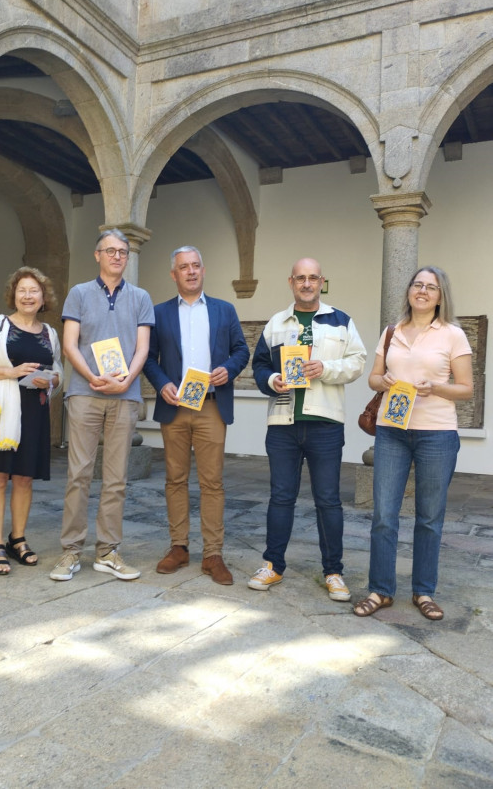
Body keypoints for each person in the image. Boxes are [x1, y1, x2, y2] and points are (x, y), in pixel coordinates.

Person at [354, 266, 473, 621]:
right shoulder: (392, 331)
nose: (423, 291)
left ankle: (424, 591)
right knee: (383, 515)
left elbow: (466, 389)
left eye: (431, 287)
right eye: (417, 284)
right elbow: (373, 378)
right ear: (409, 291)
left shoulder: (453, 334)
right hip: (392, 430)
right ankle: (381, 590)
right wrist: (383, 382)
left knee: (429, 518)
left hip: (437, 433)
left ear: (440, 296)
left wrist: (434, 387)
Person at [248, 257, 366, 599]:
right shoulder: (276, 323)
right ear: (291, 282)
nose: (306, 283)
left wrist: (325, 368)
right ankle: (273, 565)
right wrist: (272, 379)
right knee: (280, 497)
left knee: (328, 500)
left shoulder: (340, 321)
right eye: (300, 278)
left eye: (313, 277)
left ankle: (333, 572)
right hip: (282, 424)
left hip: (325, 424)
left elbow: (357, 362)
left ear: (321, 282)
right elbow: (259, 366)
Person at [50, 229, 154, 582]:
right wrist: (91, 376)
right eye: (110, 250)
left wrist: (127, 380)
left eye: (122, 251)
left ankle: (108, 551)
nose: (117, 256)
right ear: (97, 255)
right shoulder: (79, 293)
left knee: (116, 479)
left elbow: (142, 347)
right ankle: (70, 551)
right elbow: (70, 344)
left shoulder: (140, 297)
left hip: (125, 396)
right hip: (85, 393)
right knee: (78, 474)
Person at [143, 246, 249, 584]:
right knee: (175, 479)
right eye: (183, 267)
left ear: (203, 271)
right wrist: (161, 384)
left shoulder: (224, 310)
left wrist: (228, 369)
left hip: (211, 405)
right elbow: (148, 358)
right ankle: (179, 547)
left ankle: (212, 554)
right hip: (175, 406)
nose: (190, 271)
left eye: (195, 266)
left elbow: (241, 350)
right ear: (173, 275)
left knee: (212, 481)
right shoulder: (159, 313)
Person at [0, 267, 64, 574]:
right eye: (22, 290)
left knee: (24, 478)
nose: (27, 296)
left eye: (34, 291)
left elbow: (58, 372)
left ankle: (17, 539)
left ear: (43, 298)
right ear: (14, 294)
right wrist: (10, 372)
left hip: (34, 411)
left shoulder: (50, 333)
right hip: (1, 410)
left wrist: (51, 380)